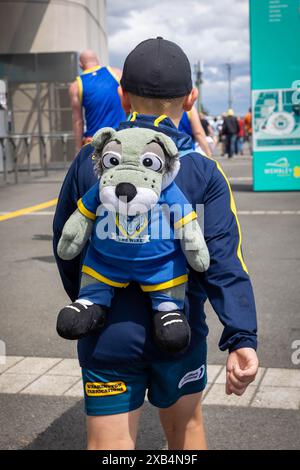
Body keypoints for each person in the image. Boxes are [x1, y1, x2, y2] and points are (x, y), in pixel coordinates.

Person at [53, 37, 258, 451]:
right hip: (179, 329)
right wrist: (242, 336)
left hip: (107, 333)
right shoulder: (204, 171)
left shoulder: (92, 162)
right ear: (191, 98)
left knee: (108, 447)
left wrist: (91, 301)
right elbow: (221, 258)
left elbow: (66, 242)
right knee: (187, 434)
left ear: (122, 94)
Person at [69, 49, 126, 151]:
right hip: (120, 138)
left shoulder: (76, 86)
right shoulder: (116, 73)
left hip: (95, 143)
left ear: (80, 65)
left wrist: (78, 149)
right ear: (97, 61)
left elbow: (78, 121)